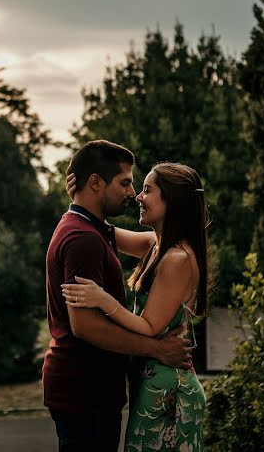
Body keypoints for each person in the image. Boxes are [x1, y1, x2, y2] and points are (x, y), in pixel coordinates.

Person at [43, 142, 193, 452]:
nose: (132, 192)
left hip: (91, 391)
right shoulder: (84, 239)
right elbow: (85, 326)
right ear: (96, 182)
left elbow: (159, 240)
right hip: (86, 393)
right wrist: (157, 349)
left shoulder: (91, 229)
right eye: (125, 182)